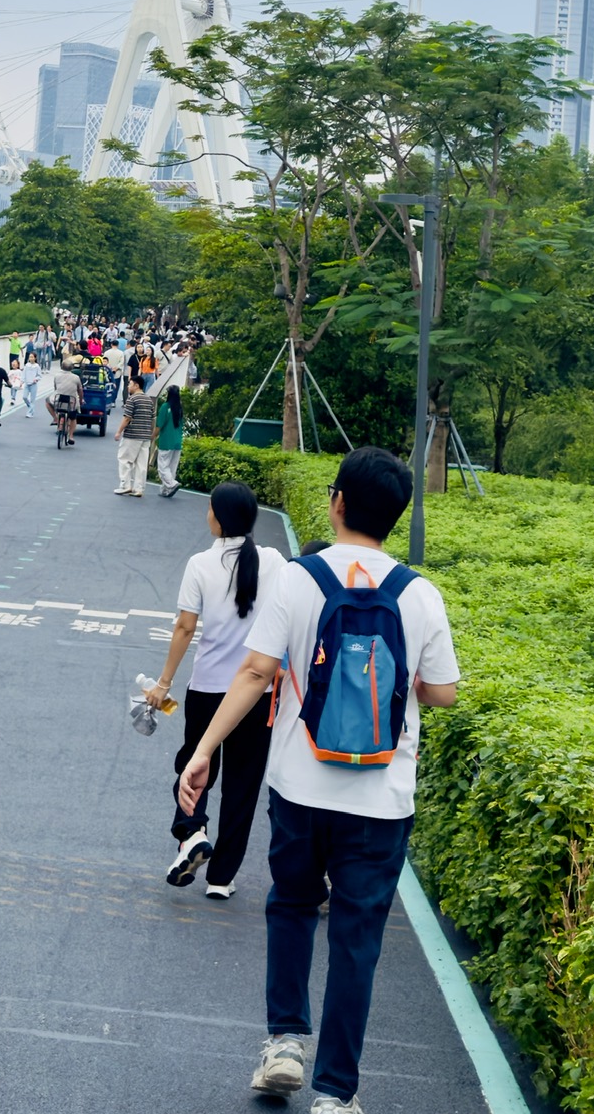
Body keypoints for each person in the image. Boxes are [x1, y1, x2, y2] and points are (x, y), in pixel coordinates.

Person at [177, 449, 461, 1113]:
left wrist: (203, 750)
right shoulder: (419, 593)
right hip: (381, 800)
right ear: (395, 516)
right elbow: (443, 691)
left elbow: (255, 672)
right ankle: (336, 1093)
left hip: (301, 788)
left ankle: (283, 1044)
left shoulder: (298, 578)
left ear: (336, 502)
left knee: (292, 906)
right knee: (357, 939)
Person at [148, 481, 286, 897]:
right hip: (257, 693)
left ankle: (191, 832)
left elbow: (185, 628)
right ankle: (222, 879)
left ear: (220, 518)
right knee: (243, 785)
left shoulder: (200, 565)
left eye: (209, 508)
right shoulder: (274, 562)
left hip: (207, 688)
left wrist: (164, 683)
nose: (206, 514)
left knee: (194, 765)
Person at [113, 377, 157, 497]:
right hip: (145, 435)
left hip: (132, 434)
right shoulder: (149, 400)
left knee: (125, 460)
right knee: (141, 463)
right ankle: (139, 488)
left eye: (130, 384)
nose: (128, 386)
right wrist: (151, 433)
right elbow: (153, 418)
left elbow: (127, 417)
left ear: (136, 385)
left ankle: (125, 485)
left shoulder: (132, 399)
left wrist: (119, 432)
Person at [155, 384, 184, 498]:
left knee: (162, 467)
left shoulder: (165, 407)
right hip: (177, 441)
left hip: (166, 441)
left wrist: (152, 436)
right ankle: (165, 490)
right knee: (172, 467)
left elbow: (159, 425)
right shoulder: (179, 408)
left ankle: (172, 484)